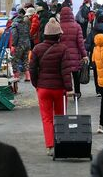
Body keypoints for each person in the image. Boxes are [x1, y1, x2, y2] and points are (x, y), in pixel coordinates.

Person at [30, 18, 73, 156]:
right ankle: (61, 142)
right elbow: (66, 71)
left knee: (47, 118)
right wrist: (69, 88)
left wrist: (36, 84)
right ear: (58, 35)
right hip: (59, 89)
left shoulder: (37, 49)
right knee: (61, 116)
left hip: (43, 88)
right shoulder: (63, 49)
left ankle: (50, 146)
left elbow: (32, 69)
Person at [58, 7, 88, 97]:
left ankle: (64, 92)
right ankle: (77, 93)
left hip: (62, 55)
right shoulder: (77, 26)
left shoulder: (58, 26)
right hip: (74, 55)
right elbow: (80, 43)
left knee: (64, 74)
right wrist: (84, 55)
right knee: (75, 75)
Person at [85, 11, 103, 97]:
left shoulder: (93, 31)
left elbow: (87, 45)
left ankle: (98, 91)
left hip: (95, 55)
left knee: (97, 72)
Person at [10, 9, 32, 82]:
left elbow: (14, 35)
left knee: (14, 60)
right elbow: (29, 34)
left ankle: (16, 76)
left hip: (19, 44)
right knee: (25, 60)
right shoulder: (26, 23)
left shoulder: (15, 24)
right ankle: (28, 76)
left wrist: (13, 45)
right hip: (27, 43)